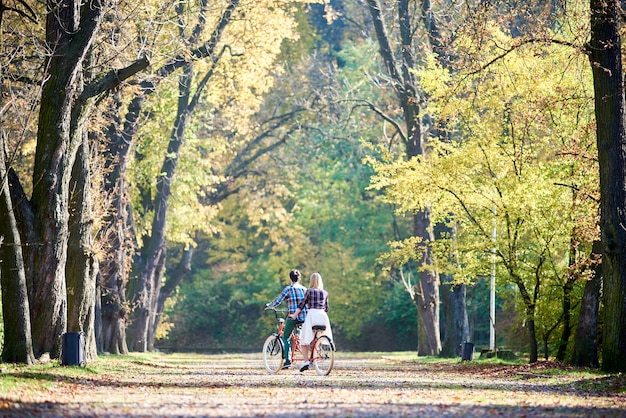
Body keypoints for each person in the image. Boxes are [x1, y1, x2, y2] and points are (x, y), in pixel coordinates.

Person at [289, 272, 333, 372]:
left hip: (312, 315)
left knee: (304, 341)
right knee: (316, 338)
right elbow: (326, 308)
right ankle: (315, 357)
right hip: (323, 316)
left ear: (311, 281)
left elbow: (302, 305)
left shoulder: (309, 291)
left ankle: (306, 361)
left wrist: (294, 315)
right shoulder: (325, 292)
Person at [265, 269, 307, 369]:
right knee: (300, 335)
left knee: (285, 338)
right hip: (305, 317)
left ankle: (287, 361)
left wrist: (269, 306)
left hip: (293, 317)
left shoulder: (288, 289)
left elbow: (278, 300)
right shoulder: (305, 289)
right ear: (299, 278)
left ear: (290, 279)